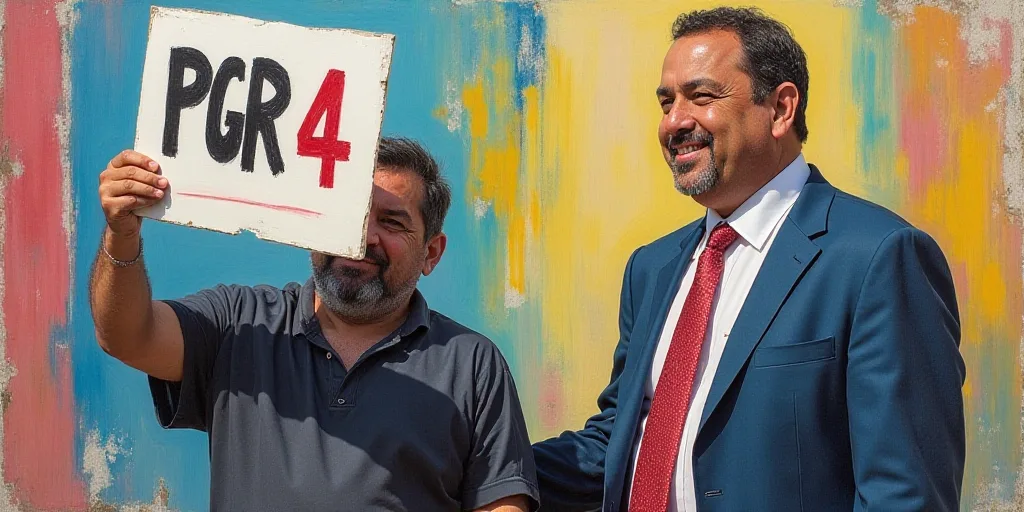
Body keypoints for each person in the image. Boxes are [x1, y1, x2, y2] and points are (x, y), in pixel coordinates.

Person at [532, 7, 965, 512]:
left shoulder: (877, 258)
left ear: (781, 108)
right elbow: (623, 445)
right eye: (666, 102)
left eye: (702, 96)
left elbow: (905, 495)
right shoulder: (651, 269)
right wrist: (473, 461)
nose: (674, 122)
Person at [90, 137, 539, 512]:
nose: (364, 236)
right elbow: (127, 336)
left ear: (431, 253)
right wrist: (122, 233)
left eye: (392, 222)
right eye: (350, 213)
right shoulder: (239, 324)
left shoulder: (472, 364)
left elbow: (500, 504)